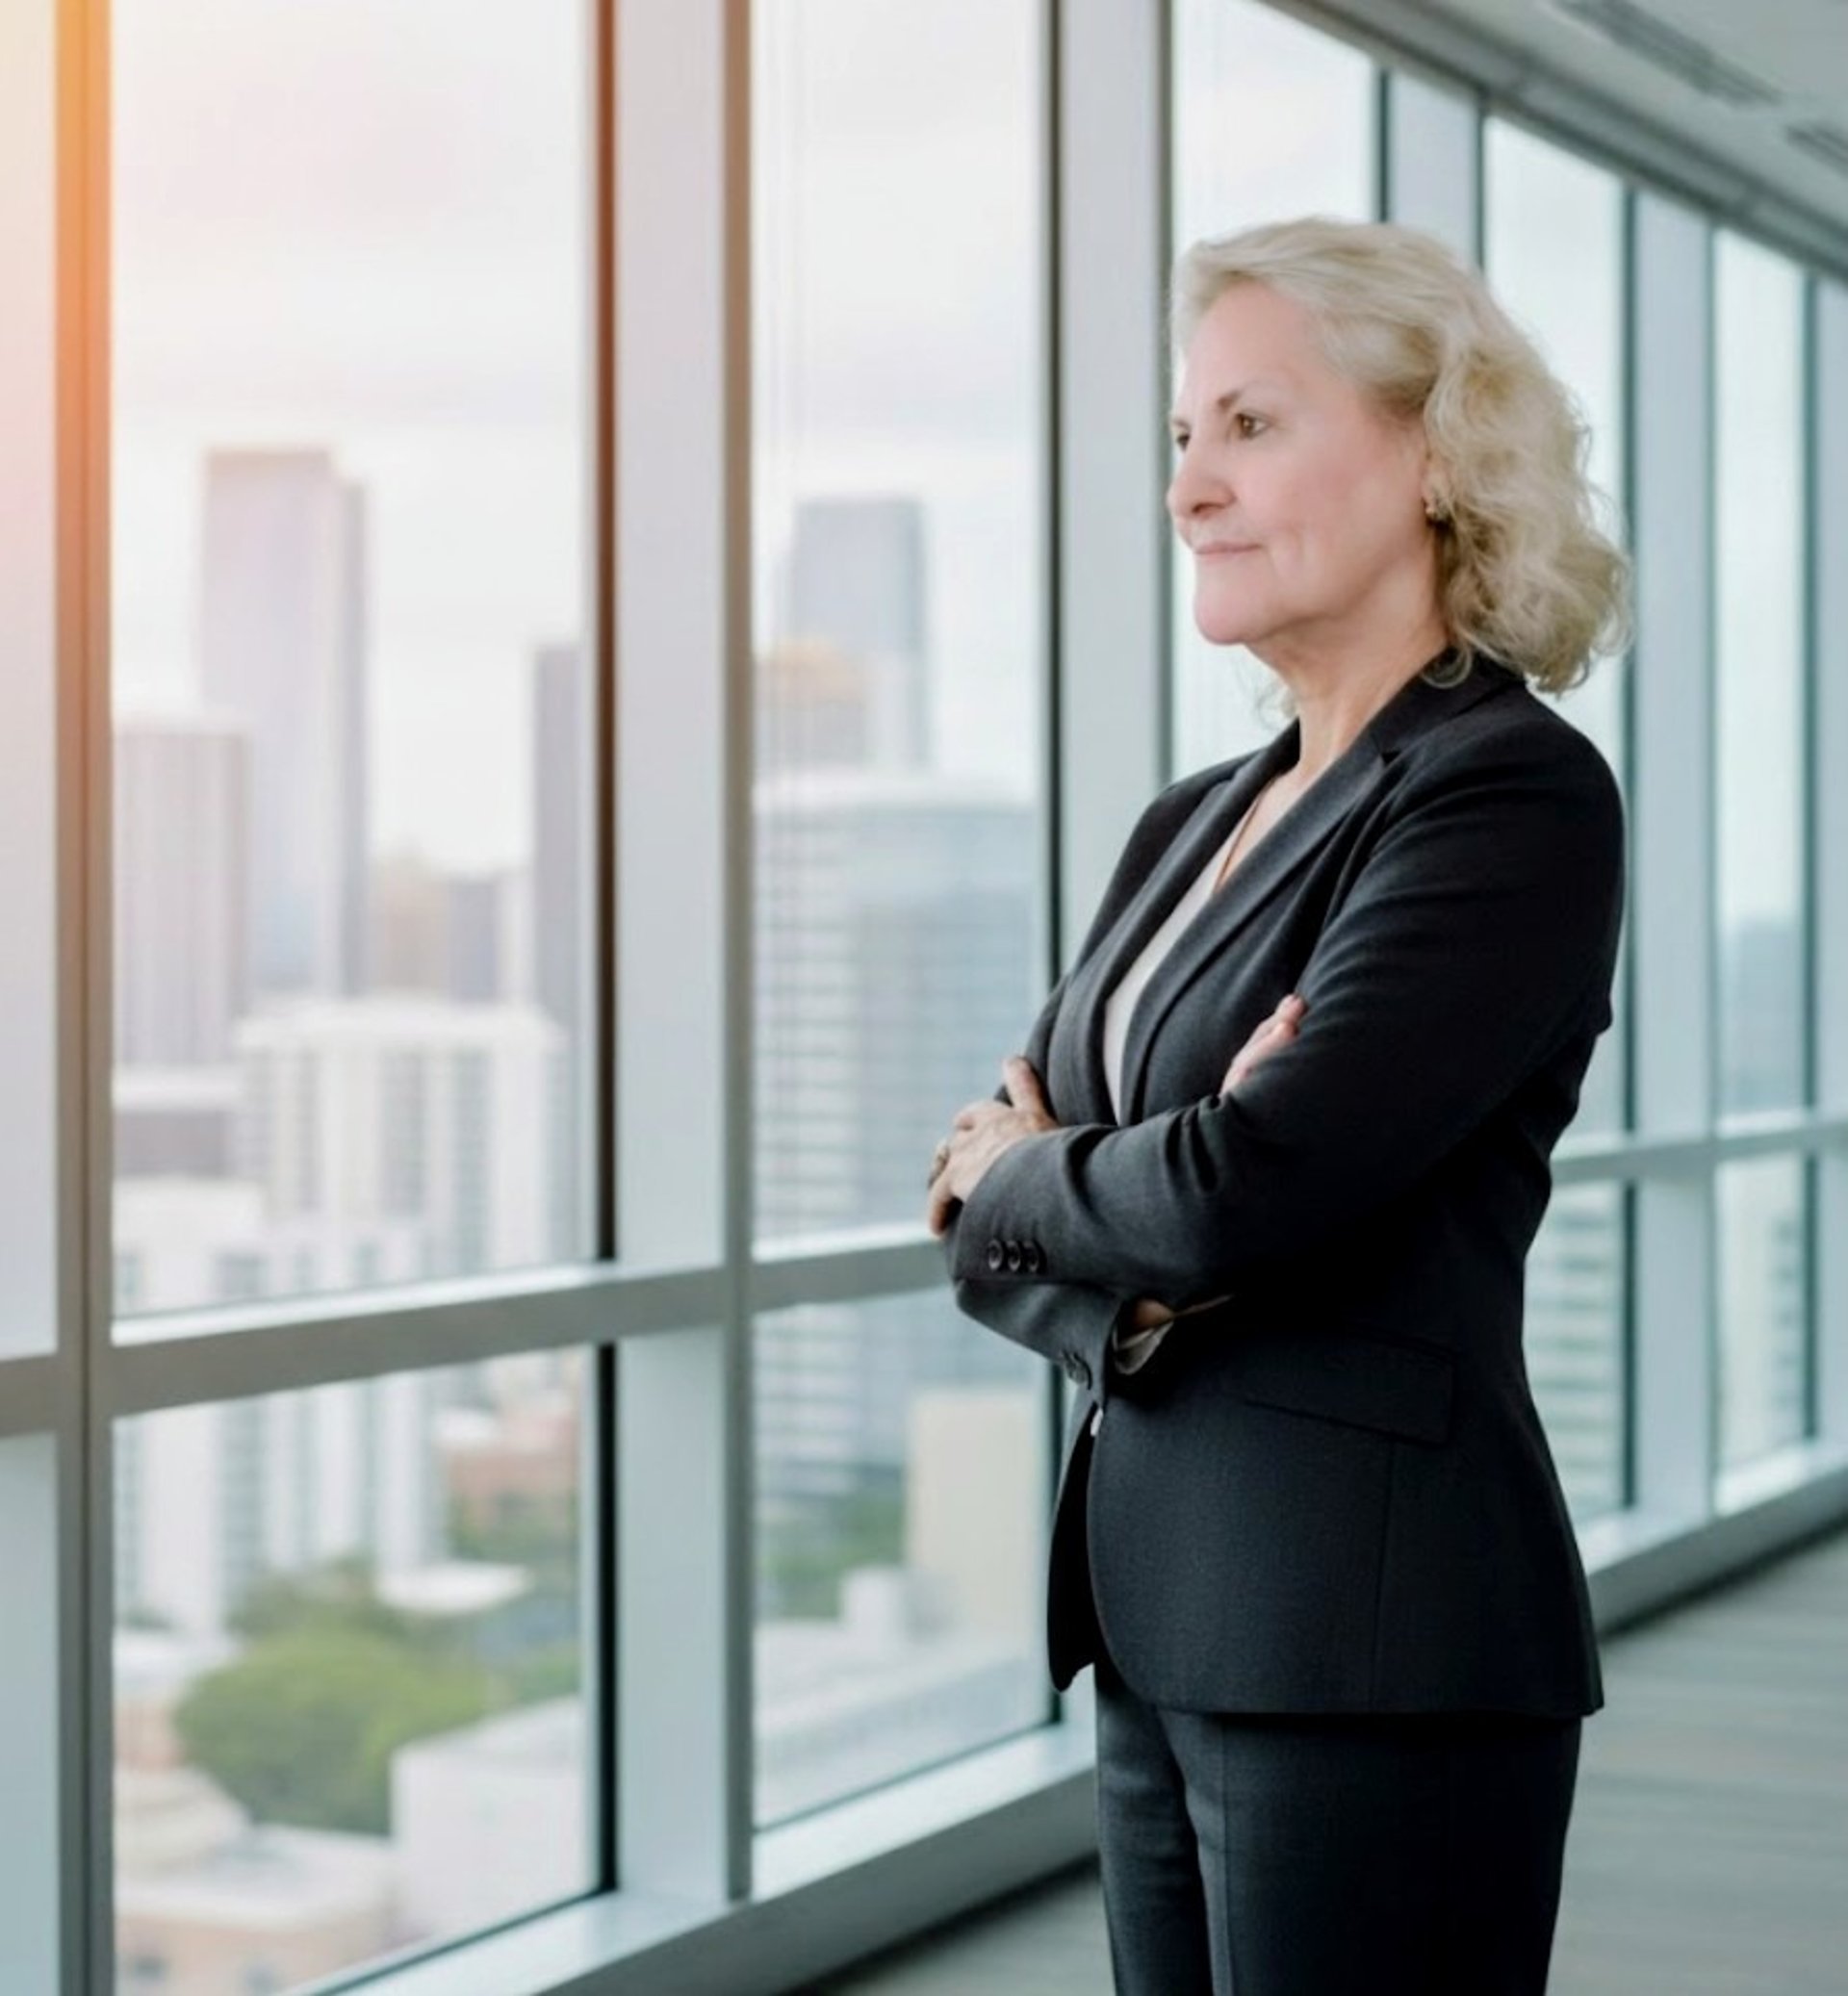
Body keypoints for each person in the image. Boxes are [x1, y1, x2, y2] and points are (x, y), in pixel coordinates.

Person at [923, 214, 1630, 1996]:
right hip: (1159, 1608)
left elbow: (1247, 1181)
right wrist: (1117, 1197)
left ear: (1431, 454)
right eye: (1183, 438)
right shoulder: (1187, 822)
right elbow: (982, 1220)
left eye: (1251, 426)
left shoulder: (1505, 795)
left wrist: (1120, 1181)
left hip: (1373, 1639)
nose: (1189, 489)